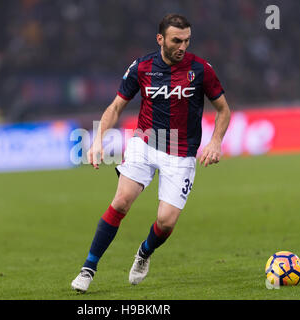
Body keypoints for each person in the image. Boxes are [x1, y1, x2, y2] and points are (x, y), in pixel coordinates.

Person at [71, 13, 231, 293]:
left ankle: (144, 252)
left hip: (181, 153)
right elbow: (116, 106)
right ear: (161, 39)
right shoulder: (142, 67)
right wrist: (98, 140)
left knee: (166, 222)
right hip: (146, 142)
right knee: (121, 202)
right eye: (176, 40)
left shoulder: (201, 69)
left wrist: (216, 141)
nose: (182, 46)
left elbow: (223, 110)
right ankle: (88, 268)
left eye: (187, 40)